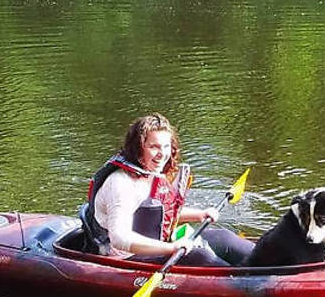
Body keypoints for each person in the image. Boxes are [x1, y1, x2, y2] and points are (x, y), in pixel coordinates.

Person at [79, 113, 253, 266]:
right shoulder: (121, 183)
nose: (162, 154)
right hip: (127, 257)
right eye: (154, 147)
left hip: (156, 244)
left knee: (224, 237)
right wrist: (171, 248)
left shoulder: (150, 171)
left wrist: (200, 214)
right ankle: (247, 283)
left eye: (166, 146)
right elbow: (120, 238)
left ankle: (270, 266)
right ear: (138, 148)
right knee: (199, 256)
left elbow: (156, 214)